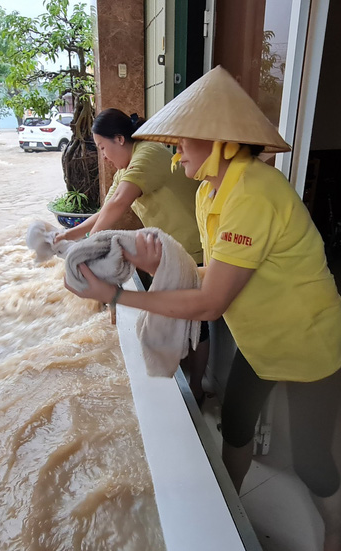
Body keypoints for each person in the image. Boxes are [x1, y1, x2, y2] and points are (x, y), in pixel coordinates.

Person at [64, 67, 341, 551]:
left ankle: (335, 527)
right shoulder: (209, 192)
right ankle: (230, 510)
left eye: (184, 144)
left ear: (220, 143)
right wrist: (155, 260)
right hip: (262, 342)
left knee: (311, 459)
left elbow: (211, 301)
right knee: (236, 426)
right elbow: (209, 276)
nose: (177, 154)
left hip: (309, 342)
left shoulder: (254, 193)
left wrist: (117, 296)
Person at [56, 107, 210, 405]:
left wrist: (86, 249)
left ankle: (197, 389)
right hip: (169, 251)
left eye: (103, 148)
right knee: (176, 315)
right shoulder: (126, 168)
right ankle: (186, 383)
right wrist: (70, 236)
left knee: (195, 323)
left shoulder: (147, 155)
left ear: (119, 139)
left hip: (194, 248)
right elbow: (107, 208)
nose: (103, 156)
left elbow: (119, 205)